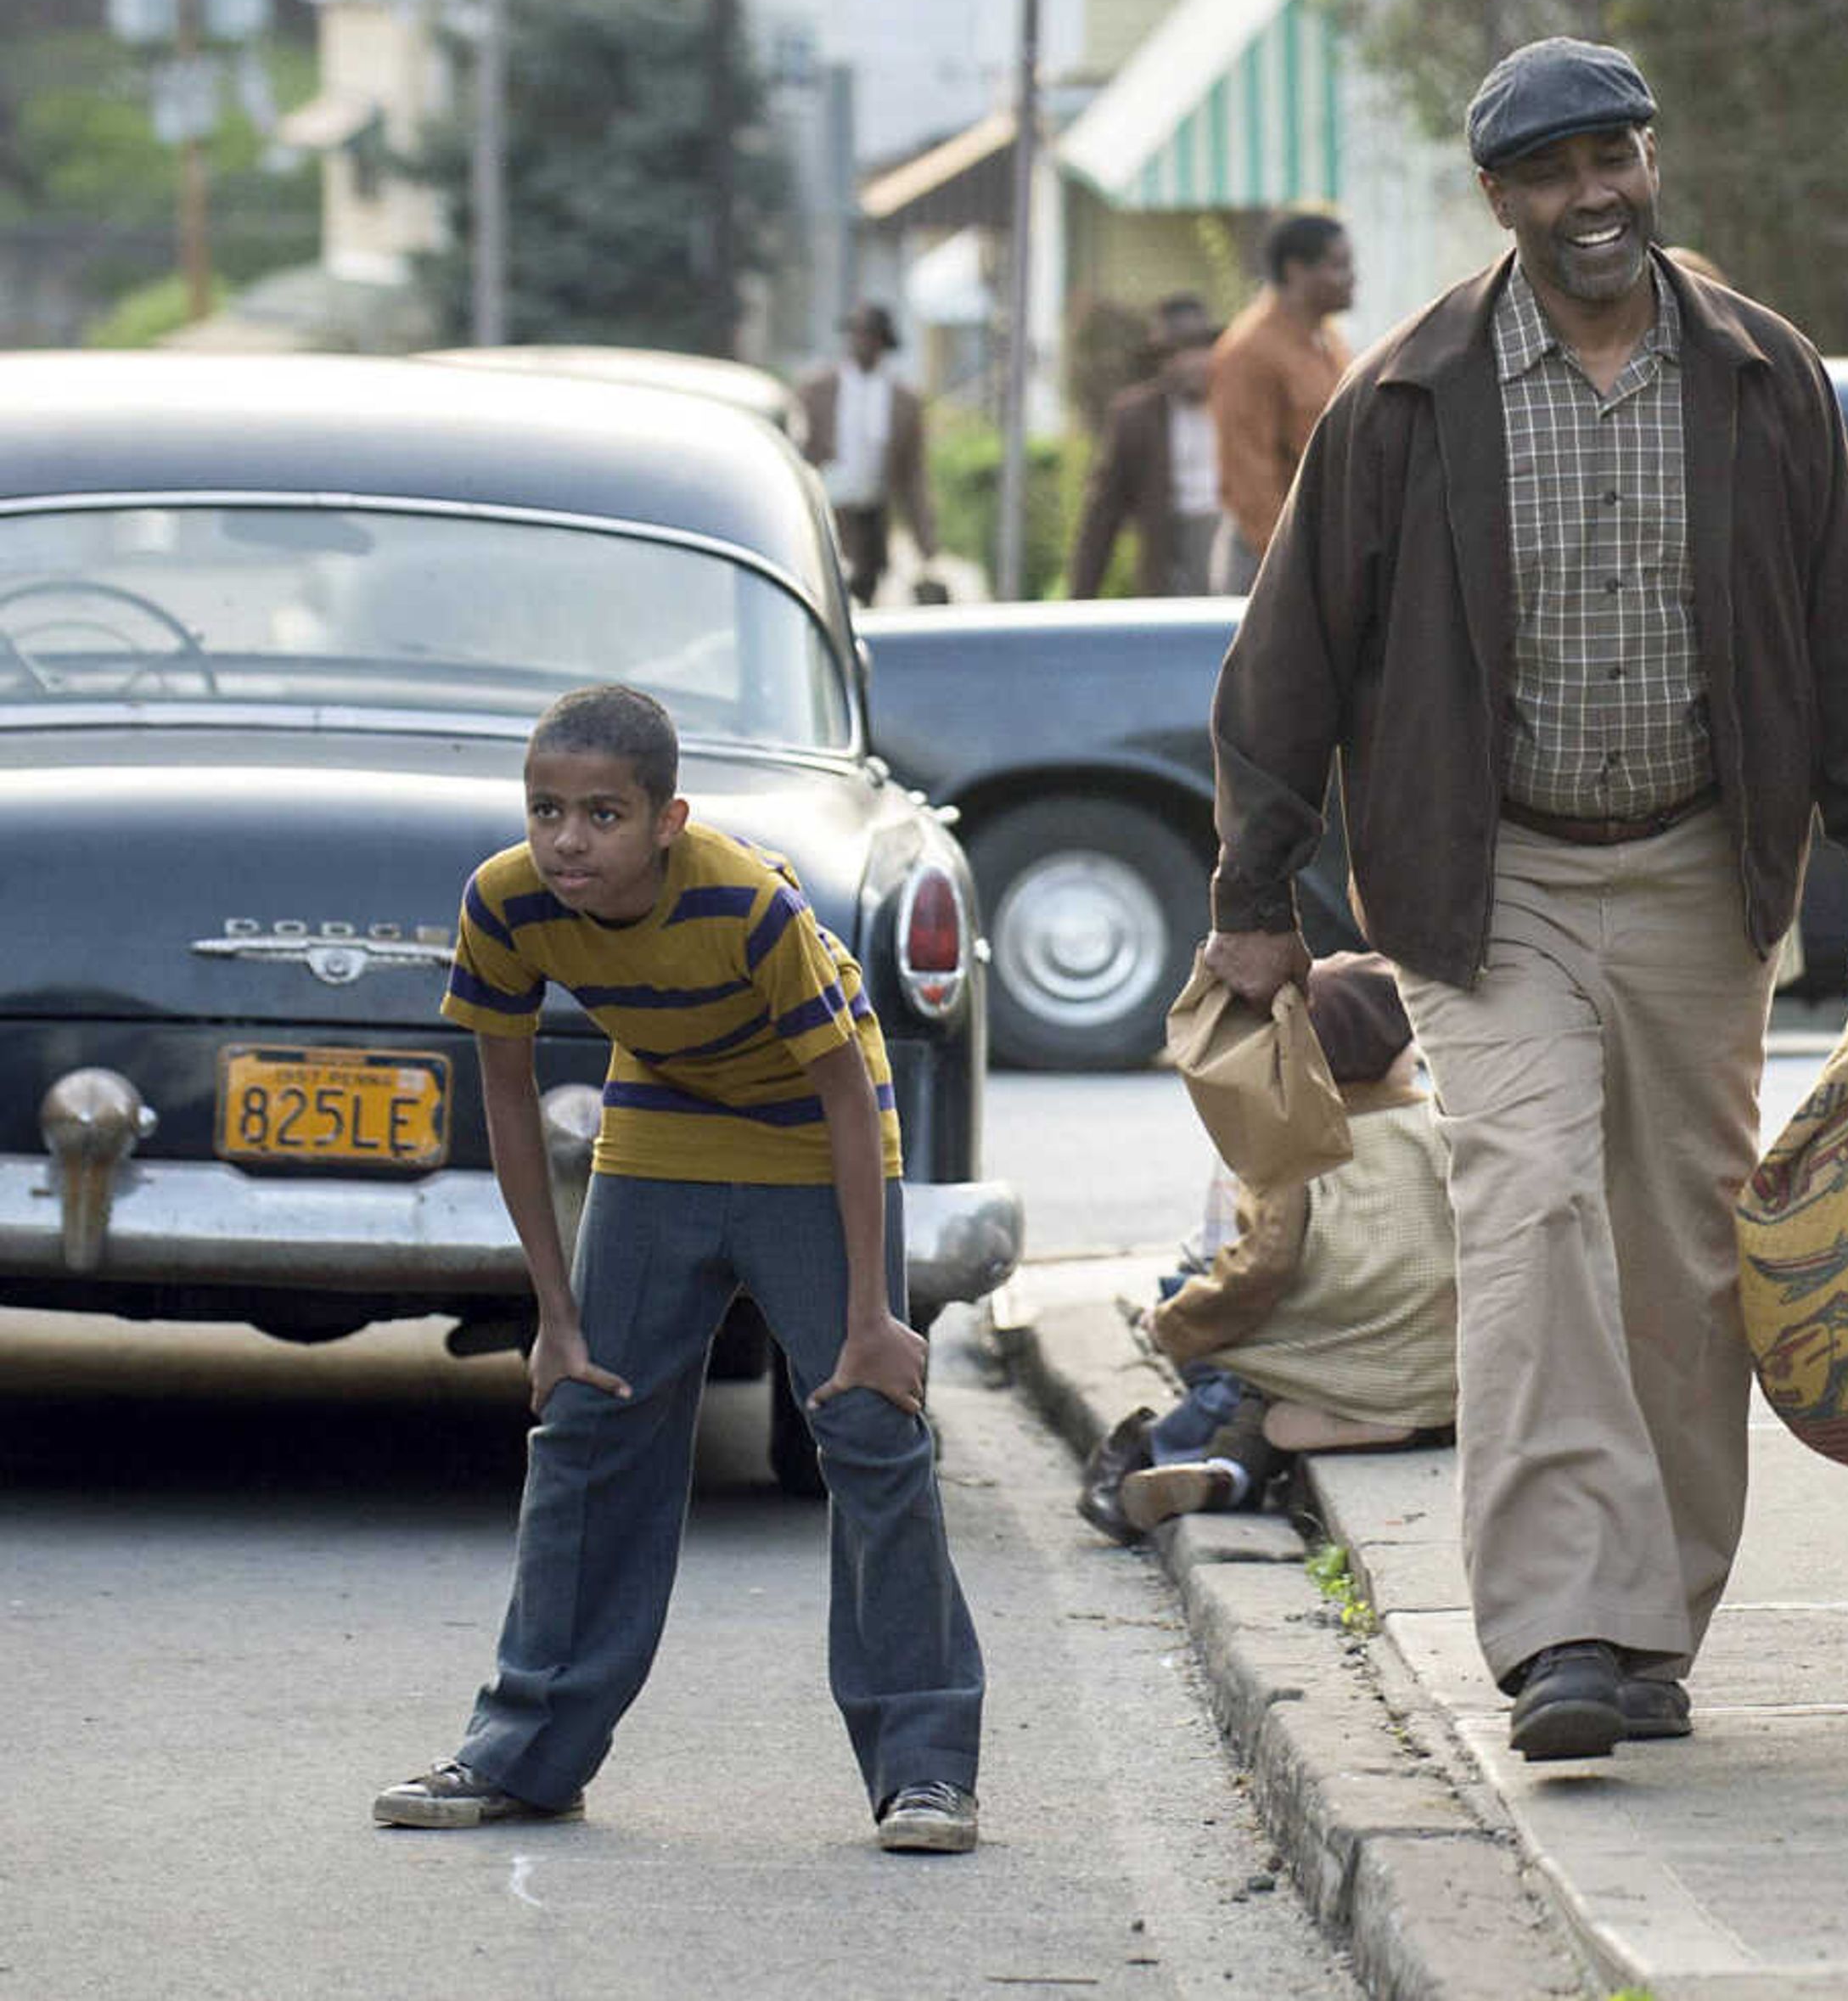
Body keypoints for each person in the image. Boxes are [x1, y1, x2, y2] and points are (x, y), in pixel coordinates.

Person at [1198, 36, 1848, 1762]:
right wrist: (1256, 892)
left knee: (1687, 1250)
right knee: (1533, 1201)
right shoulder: (1407, 399)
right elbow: (1288, 655)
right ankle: (1562, 1631)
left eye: (1614, 157)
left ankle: (1658, 1618)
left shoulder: (1764, 374)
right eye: (1551, 174)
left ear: (1651, 160)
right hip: (1493, 876)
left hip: (1703, 867)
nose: (1592, 197)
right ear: (1500, 200)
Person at [374, 684, 985, 1852]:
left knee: (868, 1426)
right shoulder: (504, 902)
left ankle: (926, 1769)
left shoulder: (747, 903)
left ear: (667, 818)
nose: (567, 839)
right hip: (660, 1120)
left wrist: (872, 1318)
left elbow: (847, 1089)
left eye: (602, 813)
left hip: (817, 1131)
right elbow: (505, 1100)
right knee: (589, 1420)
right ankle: (525, 1753)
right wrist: (555, 1316)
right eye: (547, 809)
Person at [1082, 951, 1459, 1537]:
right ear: (1395, 1051)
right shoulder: (1440, 1128)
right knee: (1281, 1343)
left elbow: (1261, 1268)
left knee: (1204, 1315)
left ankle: (1203, 1460)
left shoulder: (1294, 1147)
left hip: (1331, 1353)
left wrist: (1176, 1323)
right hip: (1441, 1371)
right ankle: (1241, 1465)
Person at [1205, 213, 1357, 593]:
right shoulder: (1249, 350)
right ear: (1296, 271)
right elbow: (1249, 479)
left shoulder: (1327, 340)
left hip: (1321, 549)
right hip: (1271, 558)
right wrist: (1294, 568)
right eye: (1338, 266)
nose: (1353, 278)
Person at [1067, 293, 1224, 598]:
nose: (1193, 363)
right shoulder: (1135, 417)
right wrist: (1079, 598)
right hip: (1172, 559)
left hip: (1236, 550)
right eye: (1178, 353)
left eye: (1200, 350)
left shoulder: (1242, 404)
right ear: (1162, 361)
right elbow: (1102, 515)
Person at [797, 302, 939, 605]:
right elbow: (800, 450)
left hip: (872, 515)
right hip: (828, 508)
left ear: (883, 343)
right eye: (857, 334)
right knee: (823, 588)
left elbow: (913, 475)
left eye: (870, 336)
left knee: (864, 591)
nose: (862, 342)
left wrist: (926, 543)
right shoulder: (818, 389)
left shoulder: (903, 401)